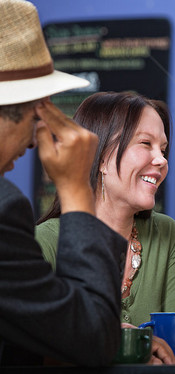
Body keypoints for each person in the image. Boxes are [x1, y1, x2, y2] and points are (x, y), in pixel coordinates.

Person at [35, 91, 175, 365]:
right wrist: (120, 345)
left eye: (163, 150)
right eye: (145, 144)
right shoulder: (45, 240)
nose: (162, 160)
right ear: (101, 157)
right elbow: (33, 350)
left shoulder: (165, 232)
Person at [0, 0, 126, 366]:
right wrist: (74, 190)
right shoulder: (5, 209)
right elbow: (92, 337)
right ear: (35, 106)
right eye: (41, 112)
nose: (32, 139)